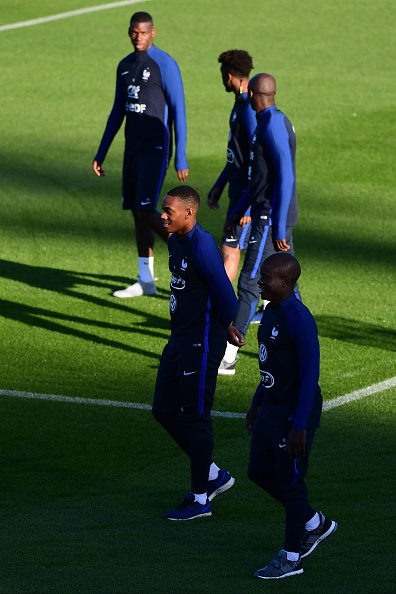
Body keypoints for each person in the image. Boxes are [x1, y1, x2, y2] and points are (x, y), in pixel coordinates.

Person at [152, 185, 245, 520]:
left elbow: (229, 299)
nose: (163, 216)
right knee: (163, 408)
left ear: (189, 213)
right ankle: (214, 475)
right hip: (179, 339)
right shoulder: (176, 240)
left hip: (201, 345)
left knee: (196, 418)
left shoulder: (202, 244)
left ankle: (200, 499)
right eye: (163, 210)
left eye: (169, 211)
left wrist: (222, 328)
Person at [244, 253, 337, 579]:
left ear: (284, 282)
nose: (260, 281)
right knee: (257, 471)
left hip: (296, 411)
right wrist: (257, 401)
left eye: (266, 278)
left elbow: (310, 374)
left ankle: (291, 556)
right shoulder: (270, 311)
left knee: (291, 481)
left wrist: (299, 426)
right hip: (272, 405)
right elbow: (270, 364)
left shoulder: (299, 318)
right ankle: (314, 523)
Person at [93, 12, 188, 298]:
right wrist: (102, 151)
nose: (138, 37)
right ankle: (145, 280)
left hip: (155, 148)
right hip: (131, 150)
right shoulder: (124, 66)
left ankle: (187, 256)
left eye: (143, 33)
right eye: (134, 32)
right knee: (137, 212)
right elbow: (116, 111)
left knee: (147, 209)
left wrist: (180, 155)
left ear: (153, 33)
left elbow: (179, 110)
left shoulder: (165, 65)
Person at [219, 73, 300, 375]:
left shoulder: (273, 125)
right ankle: (299, 345)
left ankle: (227, 358)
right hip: (267, 215)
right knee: (286, 283)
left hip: (270, 219)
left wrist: (277, 226)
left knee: (251, 283)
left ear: (255, 94)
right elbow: (258, 180)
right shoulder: (268, 121)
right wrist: (237, 211)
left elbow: (286, 177)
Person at [207, 50, 256, 282]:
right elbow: (236, 156)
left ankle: (222, 309)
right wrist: (219, 185)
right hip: (237, 191)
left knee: (230, 250)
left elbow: (258, 157)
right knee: (239, 250)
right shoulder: (240, 104)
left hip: (244, 195)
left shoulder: (248, 109)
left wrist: (248, 206)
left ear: (229, 77)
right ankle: (267, 307)